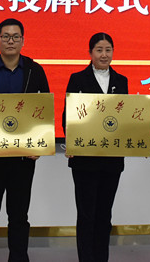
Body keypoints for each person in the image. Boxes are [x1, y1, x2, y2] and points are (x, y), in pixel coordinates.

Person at [0, 18, 50, 262]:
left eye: (15, 37)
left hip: (23, 157)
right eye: (6, 36)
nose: (10, 41)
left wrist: (39, 145)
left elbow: (44, 110)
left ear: (23, 40)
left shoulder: (35, 70)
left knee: (19, 216)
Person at [62, 32, 129, 262]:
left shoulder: (121, 81)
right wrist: (72, 139)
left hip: (112, 161)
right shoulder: (77, 79)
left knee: (104, 215)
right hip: (85, 160)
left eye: (108, 50)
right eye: (99, 50)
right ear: (90, 52)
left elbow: (126, 118)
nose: (104, 54)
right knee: (86, 215)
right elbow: (67, 117)